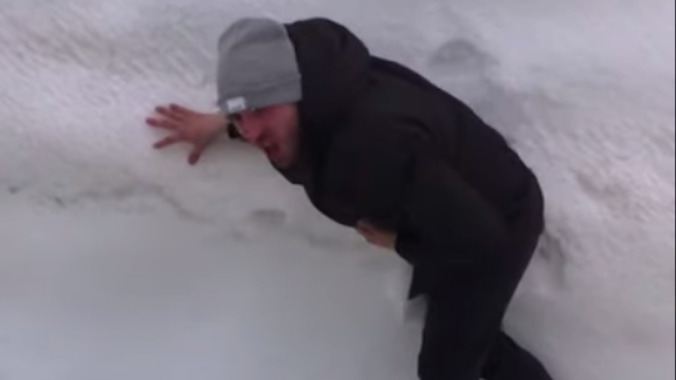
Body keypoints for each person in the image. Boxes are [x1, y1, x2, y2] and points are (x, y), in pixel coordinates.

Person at [145, 17, 554, 380]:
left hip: (498, 217)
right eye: (239, 115)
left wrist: (399, 242)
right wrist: (219, 123)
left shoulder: (373, 149)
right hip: (449, 205)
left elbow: (483, 244)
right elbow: (264, 100)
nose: (249, 132)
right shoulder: (317, 77)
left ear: (294, 92)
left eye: (259, 111)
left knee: (445, 368)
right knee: (467, 337)